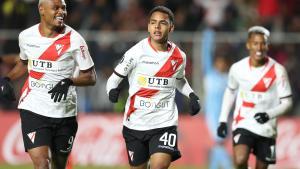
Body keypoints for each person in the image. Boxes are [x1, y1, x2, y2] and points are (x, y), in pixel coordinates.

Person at [0, 0, 96, 169]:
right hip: (33, 109)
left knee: (59, 166)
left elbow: (90, 77)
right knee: (42, 164)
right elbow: (24, 62)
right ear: (41, 9)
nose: (61, 12)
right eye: (56, 8)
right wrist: (7, 78)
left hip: (64, 113)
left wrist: (69, 81)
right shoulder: (26, 36)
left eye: (63, 8)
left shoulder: (75, 39)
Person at [106, 6, 201, 169]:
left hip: (165, 121)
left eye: (162, 23)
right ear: (148, 26)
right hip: (135, 123)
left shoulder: (179, 56)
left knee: (160, 166)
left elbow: (179, 80)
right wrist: (112, 92)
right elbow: (113, 80)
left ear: (171, 27)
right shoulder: (135, 53)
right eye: (153, 23)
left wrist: (192, 95)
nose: (157, 27)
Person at [217, 26, 293, 169]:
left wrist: (268, 114)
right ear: (248, 45)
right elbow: (230, 92)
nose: (259, 47)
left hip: (267, 127)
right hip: (244, 122)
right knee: (240, 160)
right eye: (255, 43)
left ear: (267, 46)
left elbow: (288, 102)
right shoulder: (237, 68)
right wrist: (222, 120)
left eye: (263, 43)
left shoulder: (278, 70)